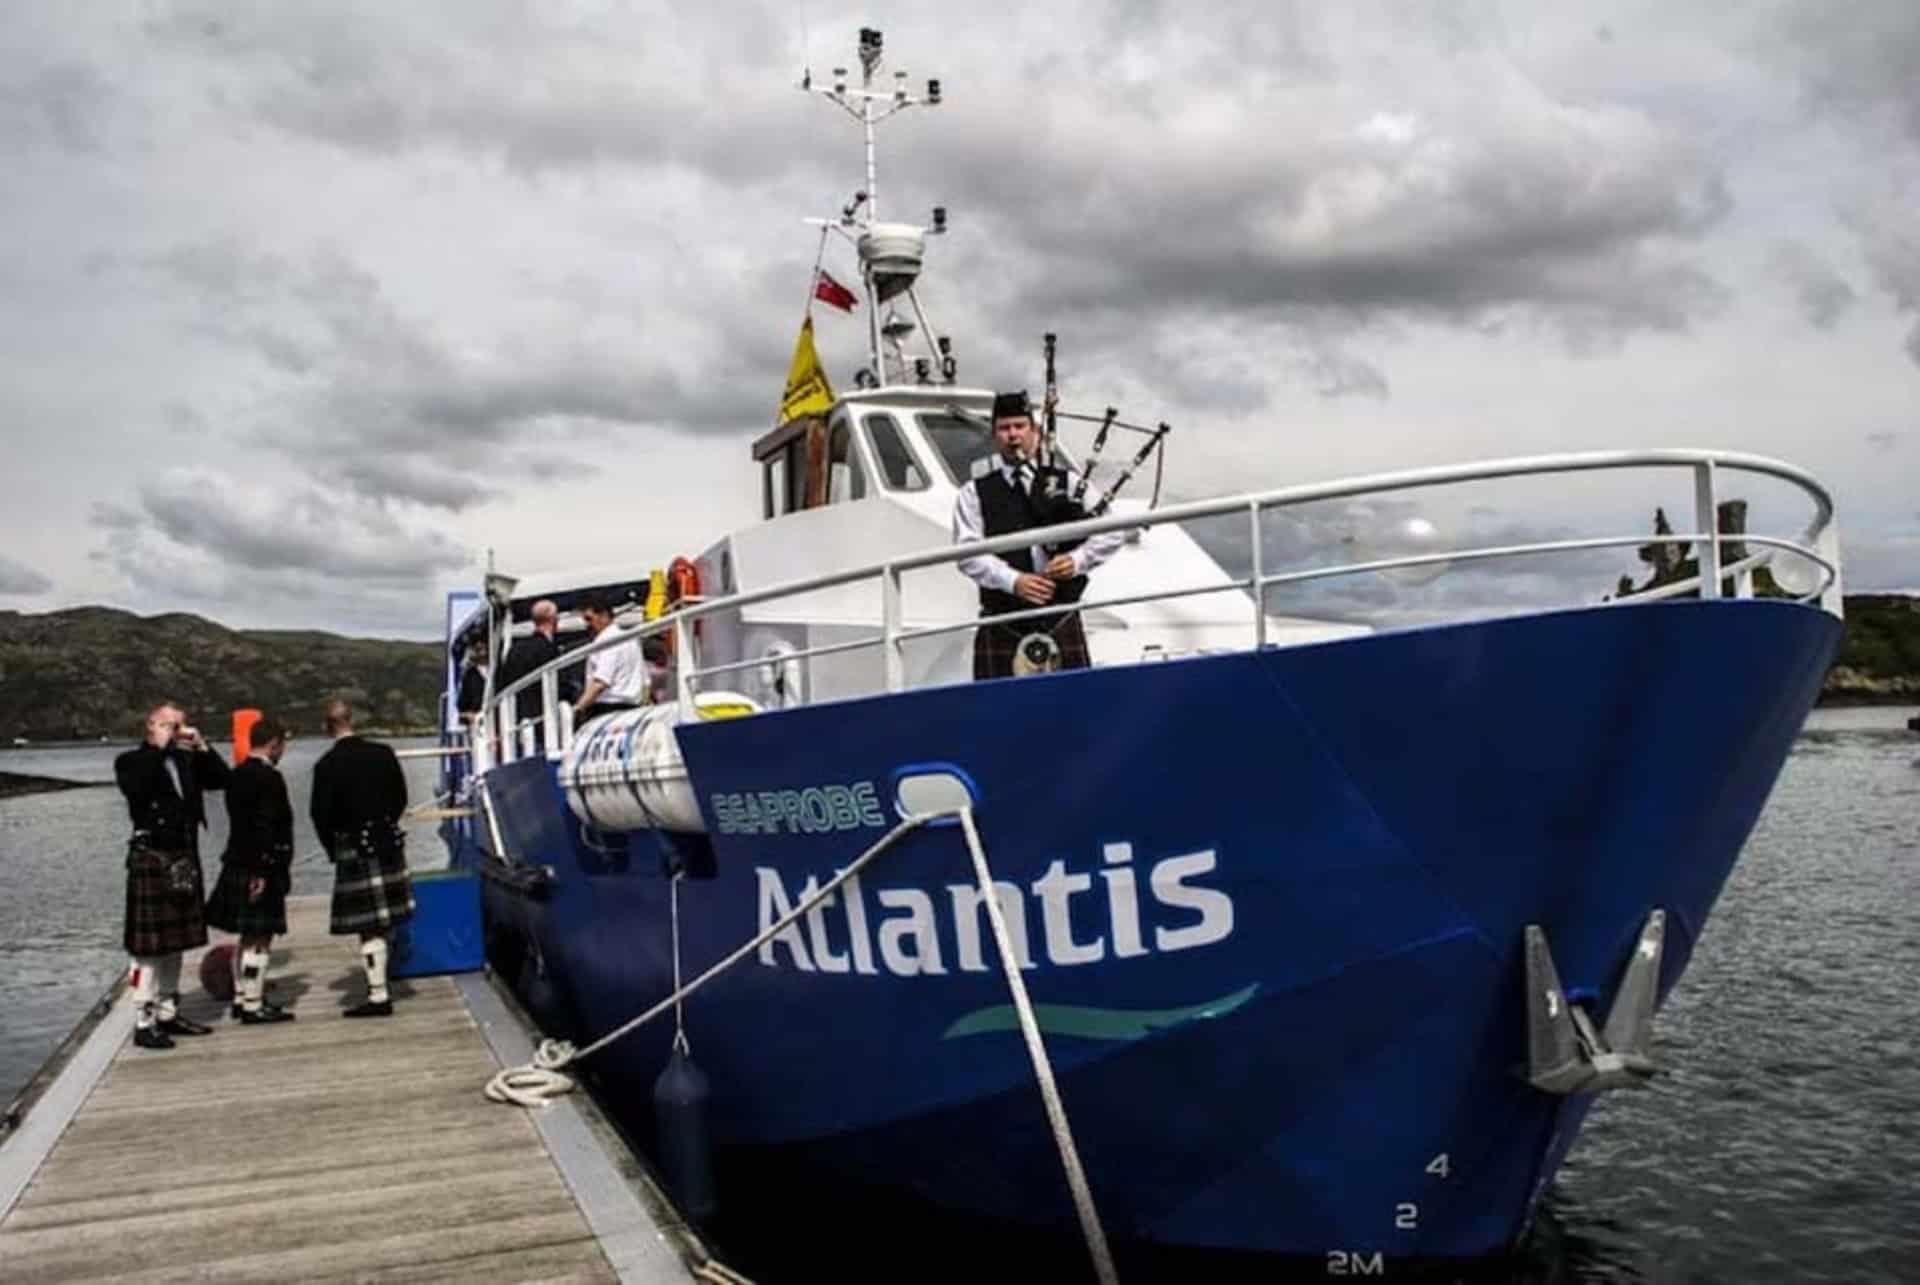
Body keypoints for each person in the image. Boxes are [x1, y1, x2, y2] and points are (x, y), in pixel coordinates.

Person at [951, 389, 1128, 679]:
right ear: (995, 437)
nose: (1013, 435)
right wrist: (1013, 580)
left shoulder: (1068, 482)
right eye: (1004, 428)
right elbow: (967, 553)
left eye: (1020, 426)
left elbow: (1112, 531)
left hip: (1060, 618)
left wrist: (1077, 560)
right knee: (1001, 717)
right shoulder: (973, 493)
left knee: (1071, 711)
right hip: (1003, 620)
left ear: (1035, 432)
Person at [114, 702, 229, 1049]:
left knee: (175, 943)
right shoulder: (131, 761)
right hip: (152, 856)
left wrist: (202, 745)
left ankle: (168, 1011)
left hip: (182, 857)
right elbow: (138, 788)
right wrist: (159, 746)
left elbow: (221, 779)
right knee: (148, 949)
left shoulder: (185, 759)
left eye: (179, 725)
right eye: (168, 725)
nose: (175, 731)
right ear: (150, 725)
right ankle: (143, 1020)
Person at [311, 698, 413, 1018]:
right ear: (352, 720)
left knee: (367, 926)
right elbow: (401, 797)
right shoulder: (383, 754)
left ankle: (379, 995)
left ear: (328, 727)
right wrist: (385, 827)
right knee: (382, 922)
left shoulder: (326, 765)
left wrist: (334, 848)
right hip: (386, 842)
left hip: (353, 847)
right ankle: (383, 982)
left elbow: (320, 815)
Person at [204, 715, 297, 1024]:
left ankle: (243, 997)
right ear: (273, 744)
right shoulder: (270, 778)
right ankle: (254, 1005)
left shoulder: (238, 775)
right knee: (260, 937)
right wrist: (263, 871)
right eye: (282, 744)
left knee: (246, 936)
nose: (283, 751)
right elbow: (266, 826)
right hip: (261, 866)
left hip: (237, 861)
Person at [496, 598, 572, 728]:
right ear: (554, 620)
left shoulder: (515, 649)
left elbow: (503, 682)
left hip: (517, 718)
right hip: (544, 719)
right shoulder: (549, 649)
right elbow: (560, 684)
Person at [572, 593, 646, 724]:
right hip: (634, 709)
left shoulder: (606, 641)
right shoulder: (631, 639)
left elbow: (601, 682)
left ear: (604, 615)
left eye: (589, 619)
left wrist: (578, 708)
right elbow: (646, 681)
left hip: (608, 709)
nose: (586, 625)